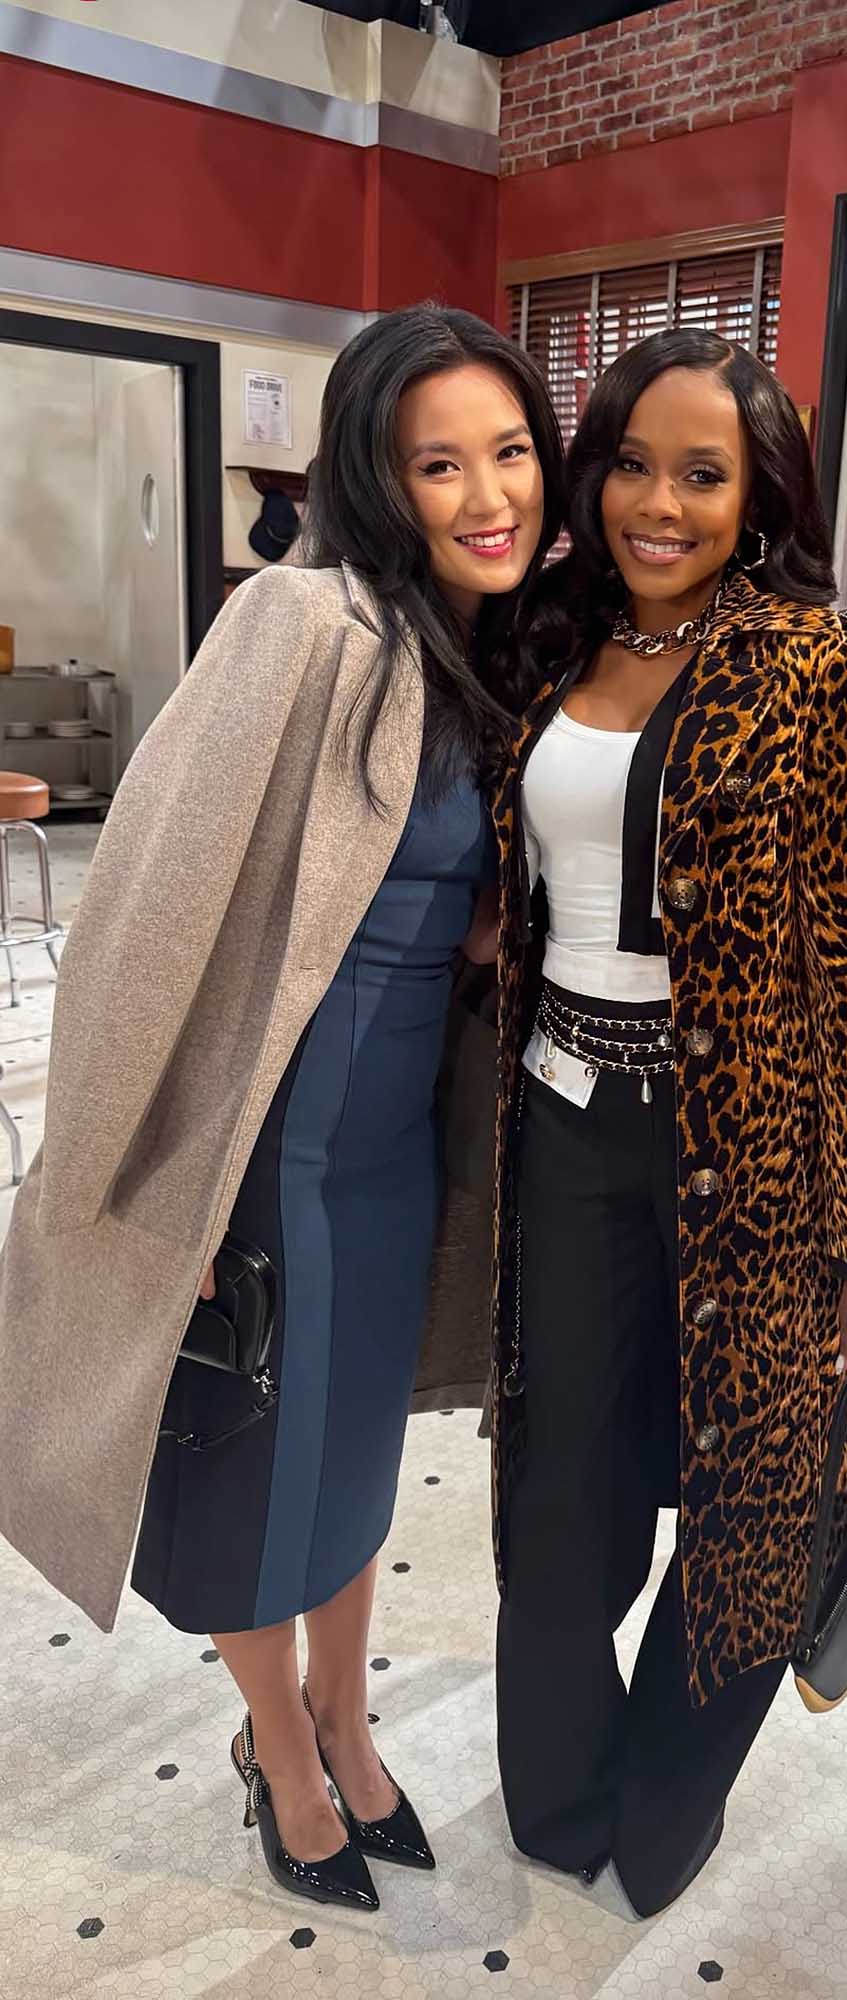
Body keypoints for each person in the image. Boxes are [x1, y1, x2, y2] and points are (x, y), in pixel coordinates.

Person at [0, 304, 564, 1911]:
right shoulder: (301, 621)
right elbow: (145, 911)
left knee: (354, 1456)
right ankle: (279, 1745)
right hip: (261, 1150)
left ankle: (344, 1711)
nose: (486, 495)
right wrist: (139, 1179)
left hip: (395, 1150)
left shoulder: (476, 648)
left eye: (509, 453)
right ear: (375, 478)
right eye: (438, 464)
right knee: (256, 1466)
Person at [486, 327, 847, 1918]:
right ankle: (557, 1786)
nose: (657, 505)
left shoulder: (806, 659)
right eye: (631, 466)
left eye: (701, 475)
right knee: (556, 1484)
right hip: (563, 1126)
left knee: (750, 1486)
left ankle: (672, 1798)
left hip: (753, 1156)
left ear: (757, 499)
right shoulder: (546, 642)